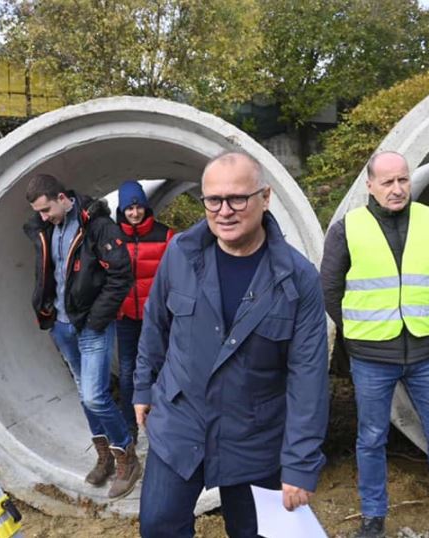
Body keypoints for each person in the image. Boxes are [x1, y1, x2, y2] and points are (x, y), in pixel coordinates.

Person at [133, 152, 329, 537]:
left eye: (237, 198)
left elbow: (307, 378)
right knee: (158, 526)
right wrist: (143, 386)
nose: (224, 211)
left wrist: (300, 462)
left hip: (254, 433)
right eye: (213, 200)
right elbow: (155, 323)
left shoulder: (297, 279)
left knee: (252, 532)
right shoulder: (181, 255)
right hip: (182, 419)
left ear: (265, 197)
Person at [320, 151, 429, 538]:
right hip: (373, 355)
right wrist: (359, 331)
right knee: (372, 439)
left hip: (426, 352)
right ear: (370, 186)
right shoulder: (348, 228)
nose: (397, 189)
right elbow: (330, 290)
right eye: (388, 182)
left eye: (403, 180)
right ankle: (373, 517)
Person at [22, 173, 140, 499]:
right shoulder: (47, 227)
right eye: (39, 212)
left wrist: (98, 319)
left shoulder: (98, 227)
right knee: (82, 391)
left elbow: (121, 274)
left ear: (63, 197)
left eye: (46, 209)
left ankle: (126, 456)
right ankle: (103, 455)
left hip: (91, 325)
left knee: (95, 396)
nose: (41, 217)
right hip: (61, 326)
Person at [114, 180, 174, 442]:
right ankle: (130, 425)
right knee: (128, 371)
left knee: (162, 368)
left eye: (138, 207)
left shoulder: (165, 235)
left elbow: (176, 275)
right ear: (122, 210)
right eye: (129, 208)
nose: (135, 213)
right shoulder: (112, 238)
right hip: (126, 316)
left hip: (158, 318)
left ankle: (164, 421)